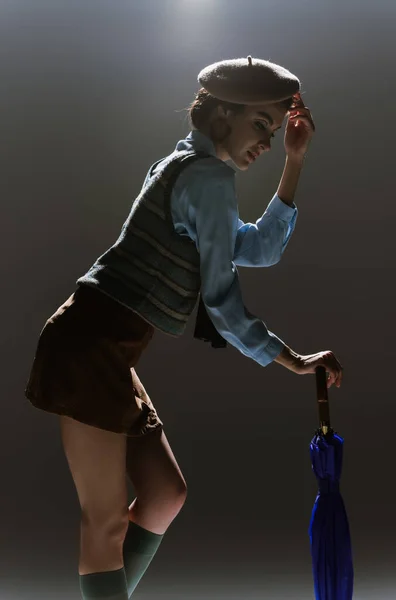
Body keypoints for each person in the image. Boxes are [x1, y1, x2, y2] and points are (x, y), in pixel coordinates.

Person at [25, 56, 343, 600]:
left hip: (106, 349)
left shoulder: (187, 167)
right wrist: (293, 359)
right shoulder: (206, 178)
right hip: (88, 347)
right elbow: (221, 302)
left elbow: (258, 248)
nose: (266, 142)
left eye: (273, 129)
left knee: (165, 494)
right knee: (102, 522)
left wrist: (296, 160)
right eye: (260, 125)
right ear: (221, 112)